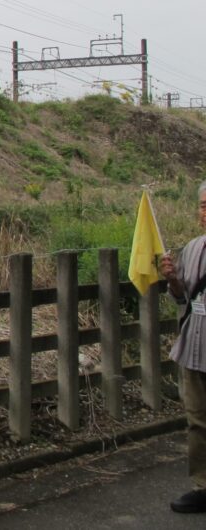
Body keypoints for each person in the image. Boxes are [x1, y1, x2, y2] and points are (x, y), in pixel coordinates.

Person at [160, 180, 206, 513]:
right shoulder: (192, 248)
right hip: (196, 348)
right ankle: (204, 486)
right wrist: (173, 279)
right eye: (203, 206)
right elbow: (182, 298)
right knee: (198, 421)